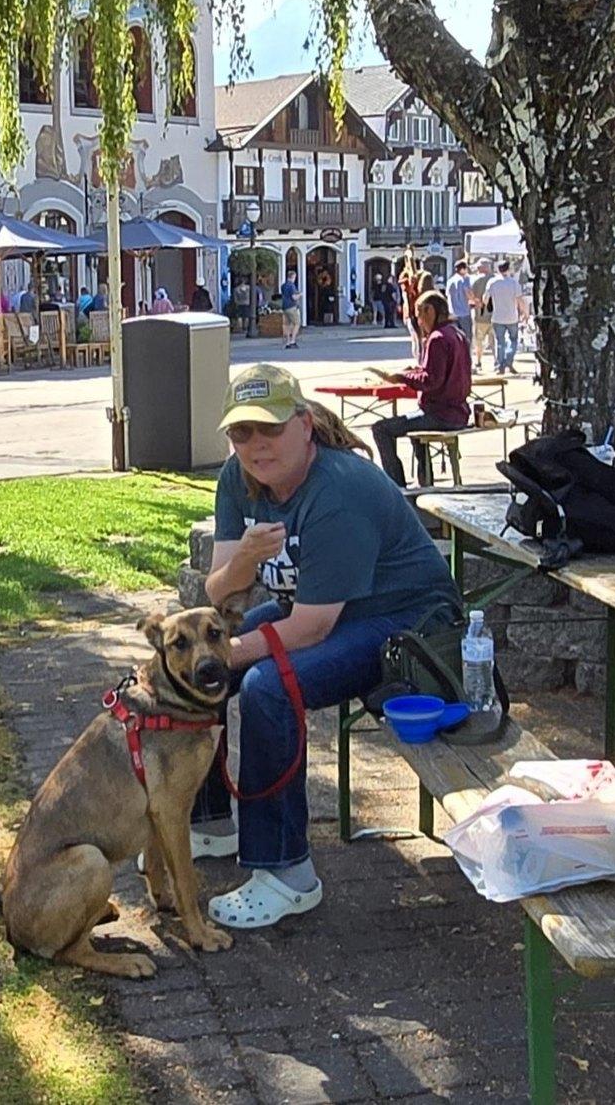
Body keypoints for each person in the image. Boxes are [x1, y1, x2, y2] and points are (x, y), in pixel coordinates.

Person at [192, 364, 463, 929]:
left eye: (270, 428)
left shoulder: (338, 491)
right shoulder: (235, 479)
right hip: (323, 612)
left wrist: (234, 653)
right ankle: (211, 824)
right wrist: (243, 560)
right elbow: (218, 592)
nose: (256, 445)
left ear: (305, 424)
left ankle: (288, 875)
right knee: (197, 668)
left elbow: (312, 630)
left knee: (268, 687)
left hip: (402, 622)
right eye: (242, 433)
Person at [368, 290, 473, 487]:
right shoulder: (457, 333)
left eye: (419, 315)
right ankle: (425, 482)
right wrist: (414, 372)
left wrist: (400, 377)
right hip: (458, 411)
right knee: (415, 426)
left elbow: (431, 381)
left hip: (441, 414)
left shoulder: (438, 338)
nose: (419, 322)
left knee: (381, 429)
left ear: (430, 311)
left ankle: (396, 485)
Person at [486, 262, 526, 372]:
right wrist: (524, 312)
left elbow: (485, 298)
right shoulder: (513, 283)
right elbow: (519, 299)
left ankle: (500, 365)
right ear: (508, 269)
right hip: (512, 316)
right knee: (513, 340)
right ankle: (509, 360)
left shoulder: (492, 282)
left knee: (500, 341)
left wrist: (489, 305)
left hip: (497, 316)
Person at [469, 259, 495, 368]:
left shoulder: (476, 281)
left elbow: (471, 297)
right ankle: (496, 362)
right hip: (495, 316)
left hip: (480, 316)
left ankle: (478, 362)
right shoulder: (495, 280)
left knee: (479, 341)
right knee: (494, 342)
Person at [445, 261, 473, 336]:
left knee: (455, 337)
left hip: (452, 313)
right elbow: (468, 294)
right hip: (464, 313)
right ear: (462, 269)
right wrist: (474, 300)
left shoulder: (450, 281)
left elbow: (447, 295)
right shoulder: (464, 280)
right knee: (466, 337)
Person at [278, 273, 301, 348]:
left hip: (284, 307)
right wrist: (300, 295)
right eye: (295, 277)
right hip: (291, 307)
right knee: (297, 323)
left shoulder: (283, 286)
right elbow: (294, 297)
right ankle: (292, 341)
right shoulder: (292, 285)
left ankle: (287, 342)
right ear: (293, 277)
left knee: (287, 325)